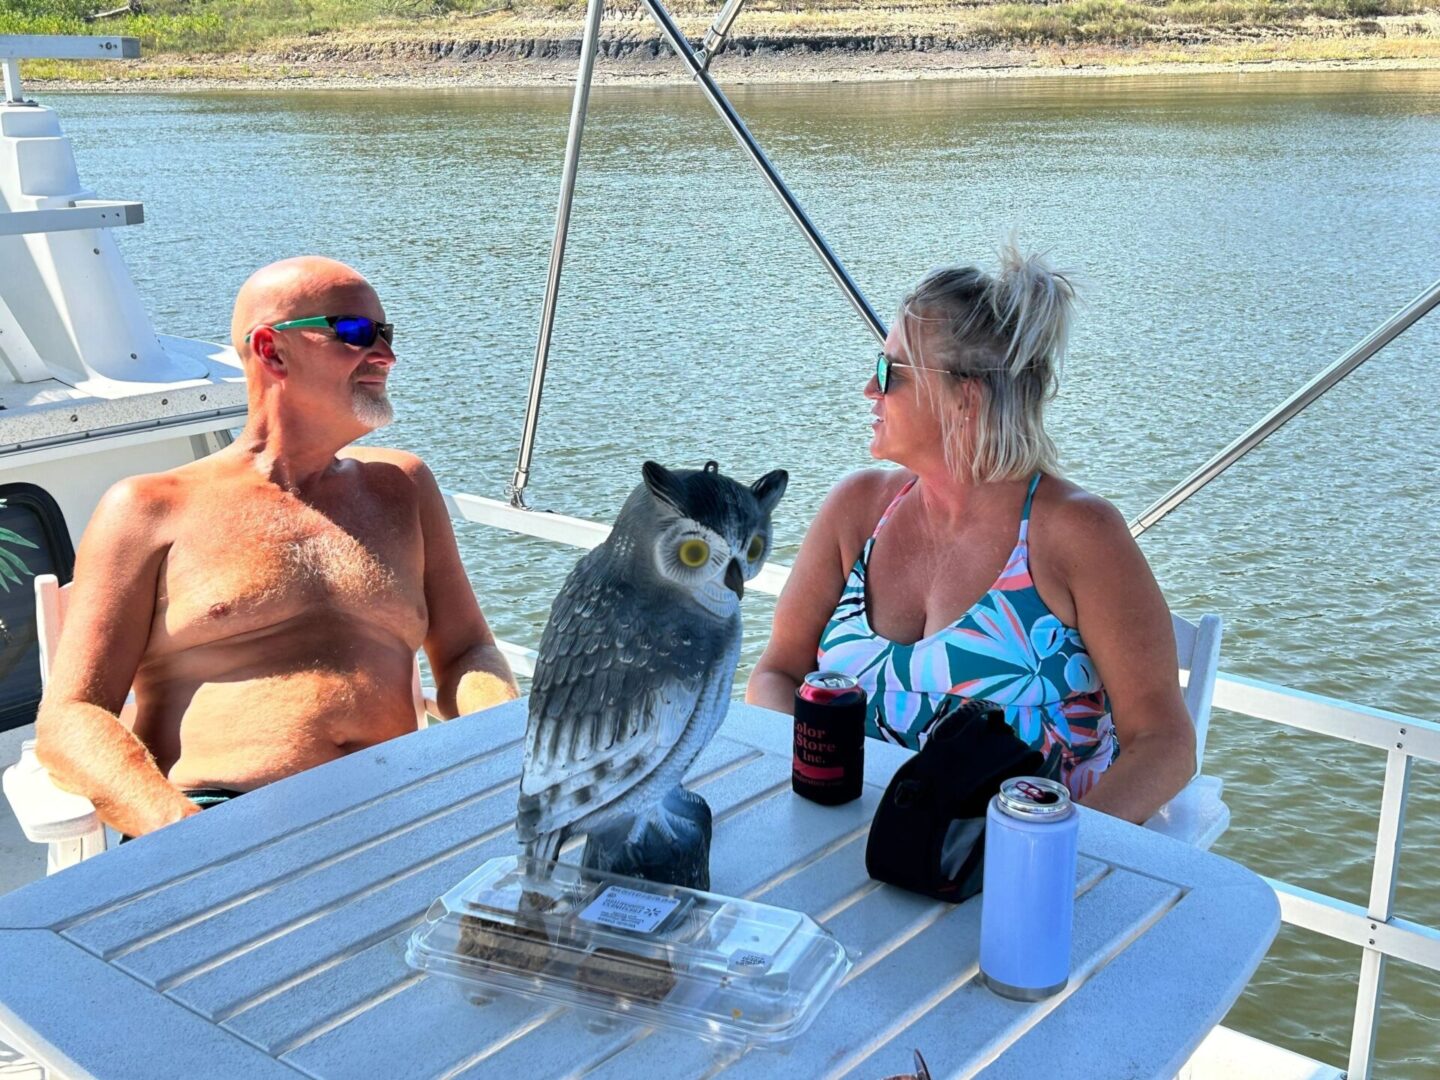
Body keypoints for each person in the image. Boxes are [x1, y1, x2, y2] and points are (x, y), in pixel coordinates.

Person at [35, 256, 519, 838]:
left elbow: (468, 651)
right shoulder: (149, 508)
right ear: (271, 350)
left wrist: (506, 745)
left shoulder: (403, 487)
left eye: (387, 335)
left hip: (401, 811)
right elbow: (71, 719)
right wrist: (180, 835)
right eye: (356, 333)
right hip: (218, 819)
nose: (386, 356)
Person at [747, 243, 1194, 824]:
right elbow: (777, 674)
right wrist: (819, 776)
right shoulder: (856, 510)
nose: (868, 389)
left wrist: (1049, 858)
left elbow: (1163, 742)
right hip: (849, 842)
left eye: (889, 371)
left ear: (965, 398)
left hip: (1011, 877)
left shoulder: (1079, 535)